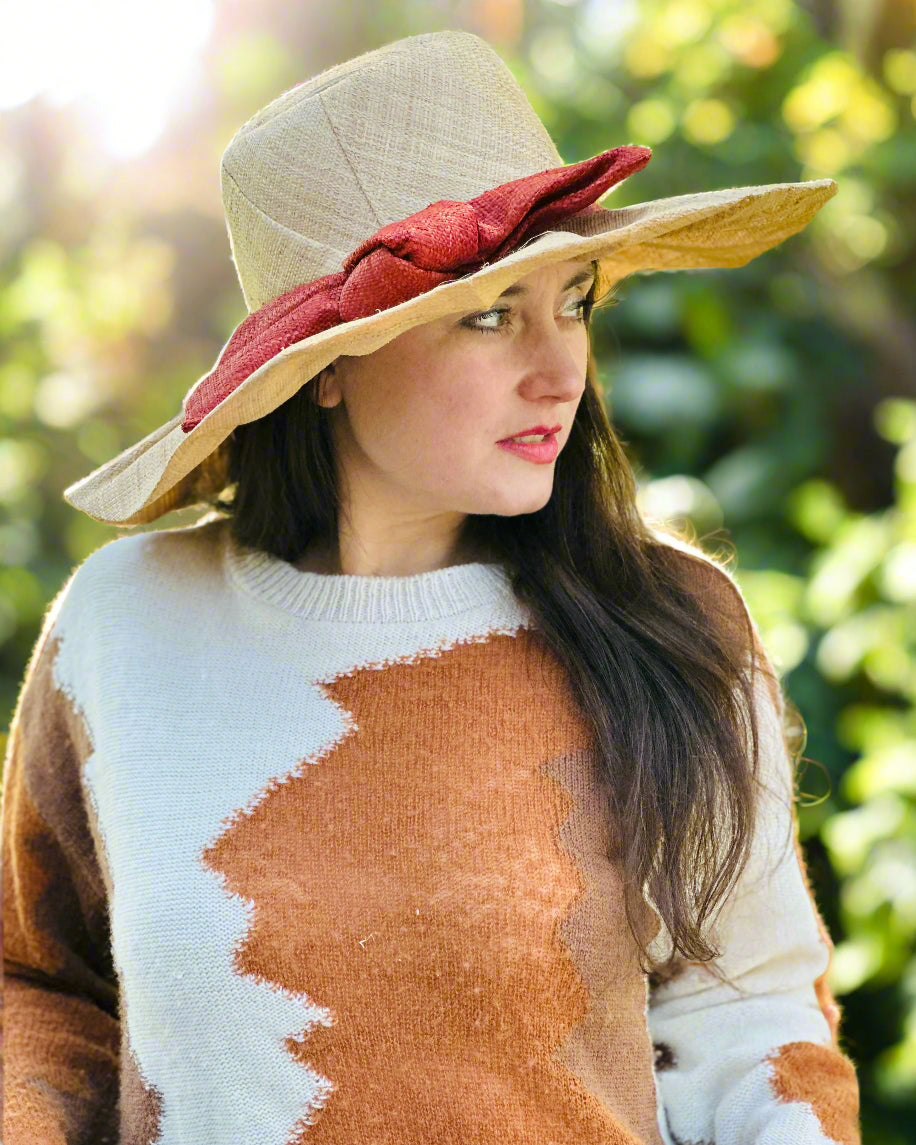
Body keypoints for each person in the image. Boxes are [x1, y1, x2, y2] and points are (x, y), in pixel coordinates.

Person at [1, 29, 860, 1145]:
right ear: (326, 371)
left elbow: (750, 1016)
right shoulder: (126, 628)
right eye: (489, 314)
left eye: (575, 300)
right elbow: (40, 983)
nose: (559, 368)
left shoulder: (673, 622)